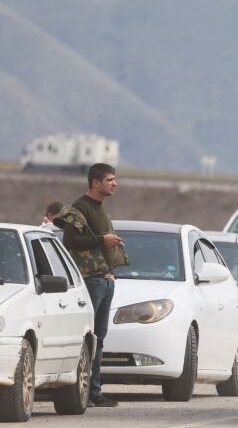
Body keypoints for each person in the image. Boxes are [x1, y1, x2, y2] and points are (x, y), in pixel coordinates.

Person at [56, 163, 128, 408]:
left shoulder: (101, 209)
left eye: (114, 179)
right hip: (90, 280)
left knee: (99, 339)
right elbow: (71, 240)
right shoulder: (80, 208)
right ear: (95, 183)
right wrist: (101, 239)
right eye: (109, 179)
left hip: (105, 280)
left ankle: (94, 391)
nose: (114, 183)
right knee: (89, 338)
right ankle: (80, 392)